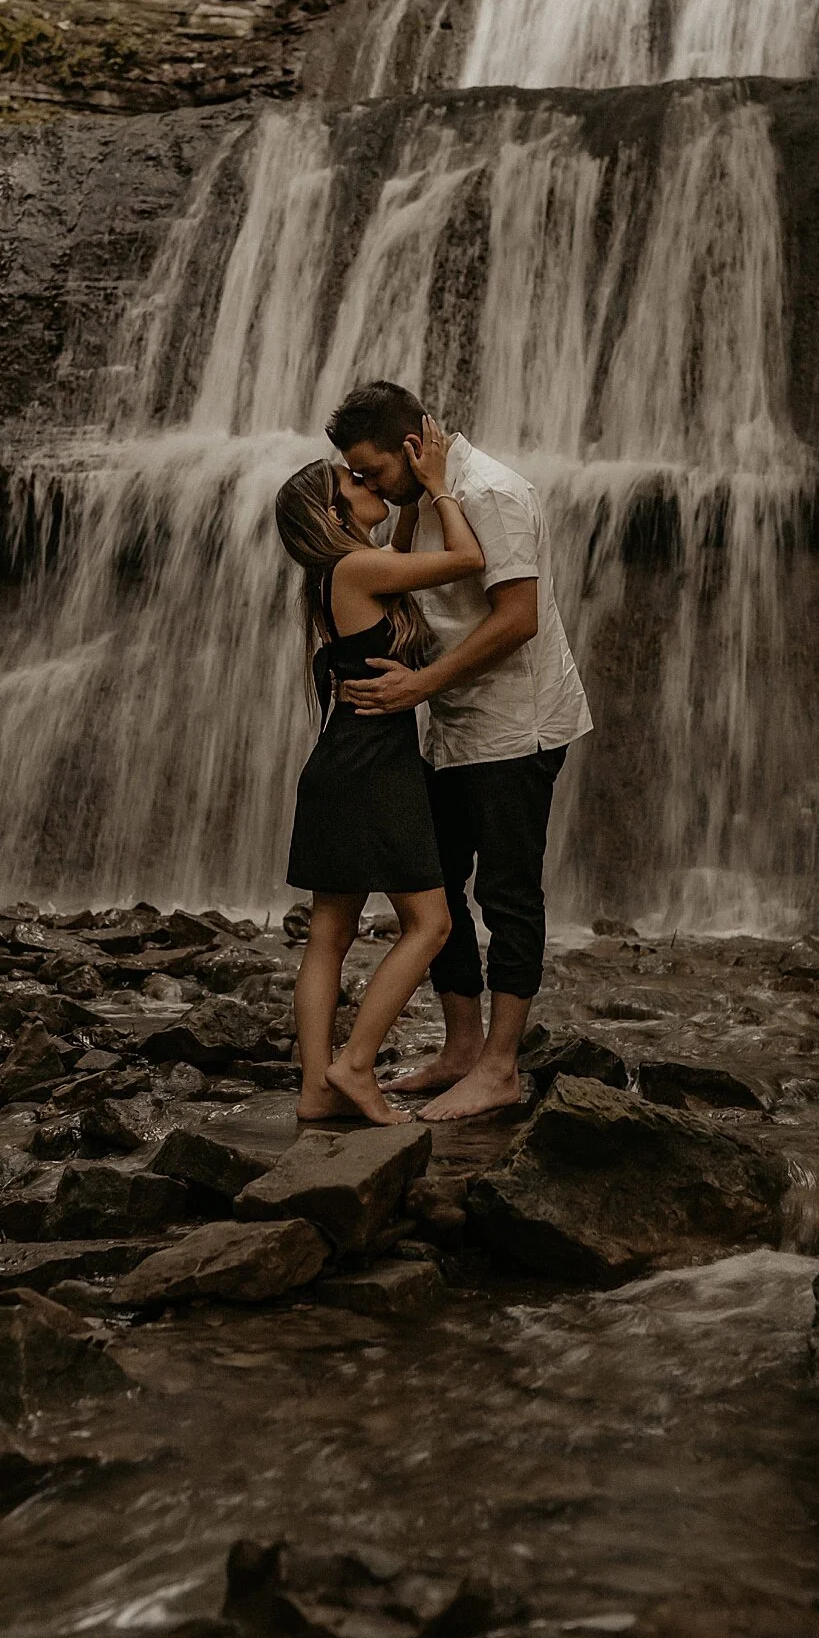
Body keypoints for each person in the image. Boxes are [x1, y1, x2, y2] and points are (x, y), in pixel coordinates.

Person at [327, 379, 592, 1121]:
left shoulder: (494, 494)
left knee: (507, 893)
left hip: (516, 726)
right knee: (434, 884)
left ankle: (501, 1067)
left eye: (368, 471)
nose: (359, 486)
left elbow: (517, 619)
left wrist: (418, 687)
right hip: (453, 726)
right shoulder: (425, 500)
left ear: (413, 447)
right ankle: (462, 1048)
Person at [274, 416, 487, 1126]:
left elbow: (398, 555)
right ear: (331, 511)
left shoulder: (340, 572)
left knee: (329, 935)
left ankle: (315, 1090)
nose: (367, 483)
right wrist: (437, 492)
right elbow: (466, 561)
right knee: (431, 925)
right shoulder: (358, 570)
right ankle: (356, 1065)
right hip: (373, 768)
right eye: (352, 482)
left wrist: (407, 511)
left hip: (343, 761)